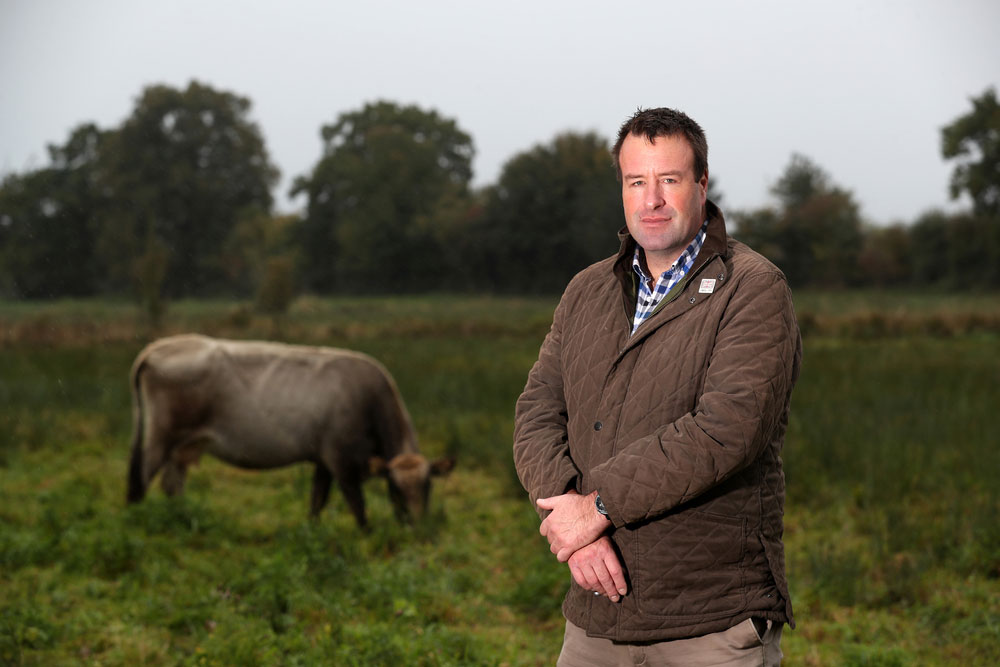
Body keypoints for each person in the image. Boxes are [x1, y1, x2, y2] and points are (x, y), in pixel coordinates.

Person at [513, 107, 801, 666]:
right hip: (596, 612)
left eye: (669, 180)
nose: (652, 200)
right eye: (636, 182)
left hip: (709, 619)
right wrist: (577, 522)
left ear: (701, 184)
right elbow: (537, 412)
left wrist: (598, 506)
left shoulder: (754, 288)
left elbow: (727, 430)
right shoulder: (586, 290)